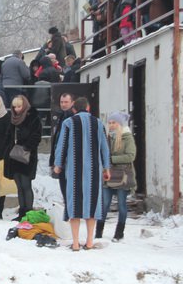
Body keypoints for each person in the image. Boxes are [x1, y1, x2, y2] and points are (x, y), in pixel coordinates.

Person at [54, 97, 111, 251]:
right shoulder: (98, 123)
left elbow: (62, 145)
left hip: (74, 171)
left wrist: (58, 164)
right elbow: (104, 147)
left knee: (75, 205)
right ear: (88, 107)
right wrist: (106, 167)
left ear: (74, 108)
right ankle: (90, 241)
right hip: (94, 171)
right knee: (92, 205)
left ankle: (75, 243)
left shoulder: (68, 123)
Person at [97, 112, 136, 242]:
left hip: (122, 176)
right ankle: (98, 233)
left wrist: (111, 159)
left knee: (122, 205)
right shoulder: (107, 137)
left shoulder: (127, 137)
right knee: (104, 204)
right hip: (109, 176)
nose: (111, 125)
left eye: (114, 123)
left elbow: (131, 156)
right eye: (110, 123)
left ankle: (119, 233)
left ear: (120, 124)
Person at [4, 95, 42, 221]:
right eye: (14, 107)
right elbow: (8, 136)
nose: (16, 109)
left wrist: (26, 147)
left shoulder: (32, 118)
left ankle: (28, 212)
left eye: (19, 106)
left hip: (27, 156)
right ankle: (22, 212)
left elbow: (36, 137)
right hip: (14, 155)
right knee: (19, 186)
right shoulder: (13, 119)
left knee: (26, 185)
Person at [50, 93, 75, 220]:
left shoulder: (72, 118)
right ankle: (68, 213)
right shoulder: (62, 116)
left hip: (68, 160)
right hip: (60, 158)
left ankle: (70, 214)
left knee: (69, 189)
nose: (63, 104)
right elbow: (56, 141)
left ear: (72, 103)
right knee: (63, 188)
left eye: (66, 102)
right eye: (61, 102)